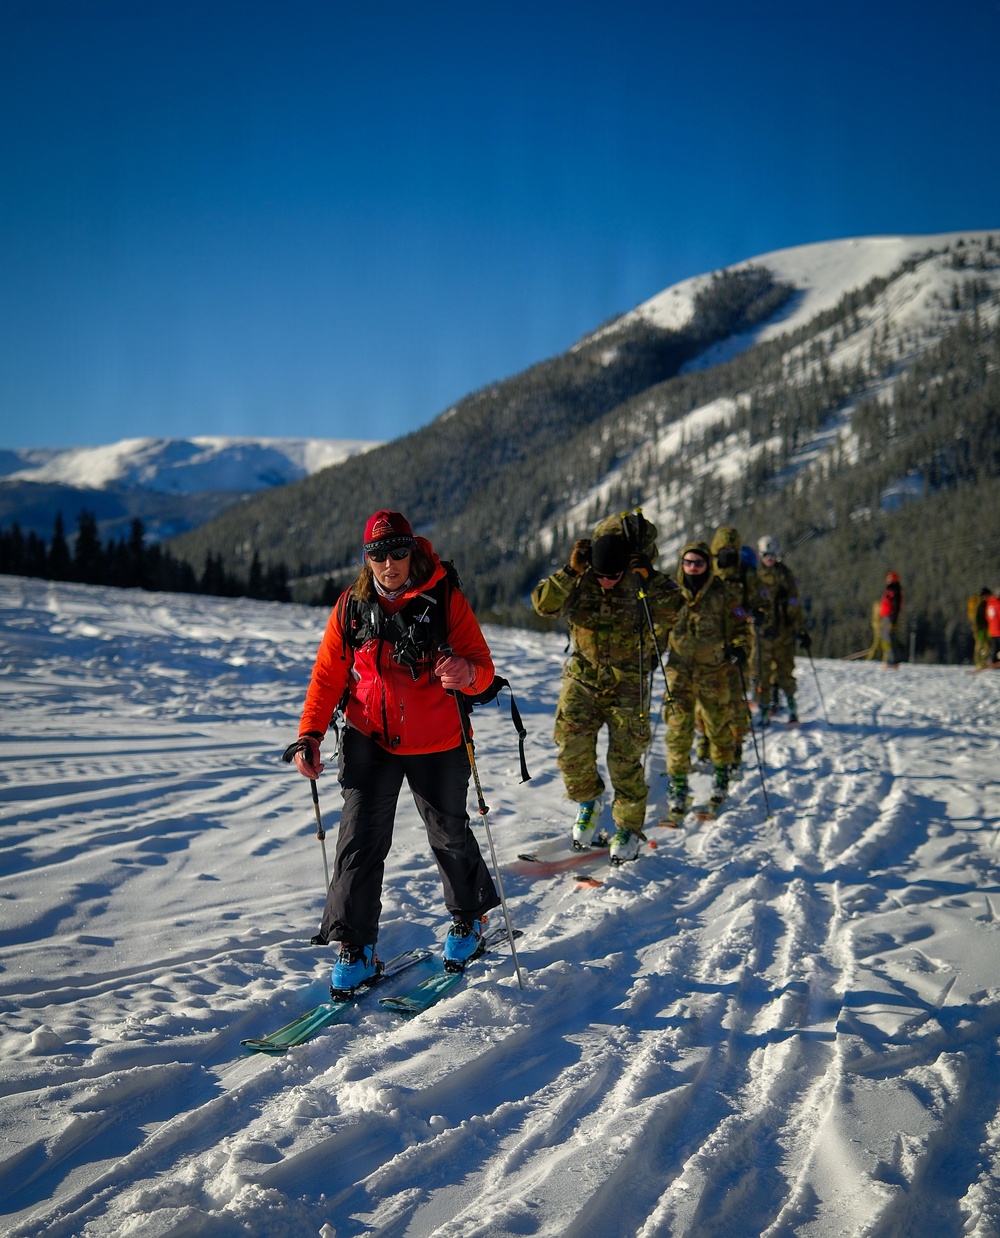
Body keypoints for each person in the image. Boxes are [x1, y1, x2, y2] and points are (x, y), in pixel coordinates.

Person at [289, 509, 500, 996]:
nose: (390, 563)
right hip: (370, 737)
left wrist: (467, 675)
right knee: (358, 841)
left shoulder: (445, 597)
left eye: (398, 552)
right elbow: (328, 677)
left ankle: (469, 922)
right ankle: (355, 949)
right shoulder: (351, 606)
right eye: (379, 554)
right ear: (367, 558)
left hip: (438, 739)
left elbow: (483, 668)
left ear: (413, 551)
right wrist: (310, 735)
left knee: (448, 833)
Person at [531, 515, 675, 864]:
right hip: (583, 677)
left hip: (629, 681)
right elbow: (544, 606)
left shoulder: (641, 579)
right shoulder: (581, 577)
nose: (608, 582)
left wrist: (650, 580)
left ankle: (627, 828)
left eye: (614, 576)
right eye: (602, 576)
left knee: (625, 760)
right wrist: (570, 571)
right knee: (570, 747)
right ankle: (589, 802)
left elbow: (675, 610)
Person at [663, 541, 750, 817]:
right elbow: (656, 625)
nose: (692, 568)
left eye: (698, 563)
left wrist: (740, 648)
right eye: (688, 562)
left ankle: (721, 775)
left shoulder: (723, 595)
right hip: (679, 672)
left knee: (717, 725)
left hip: (714, 672)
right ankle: (678, 785)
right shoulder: (671, 594)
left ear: (707, 565)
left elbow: (741, 628)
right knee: (678, 728)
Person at [694, 525, 758, 779]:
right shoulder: (706, 571)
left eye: (732, 549)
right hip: (707, 645)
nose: (727, 553)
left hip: (738, 644)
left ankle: (736, 754)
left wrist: (758, 616)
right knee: (704, 700)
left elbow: (759, 604)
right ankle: (703, 749)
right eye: (723, 549)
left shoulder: (746, 575)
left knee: (736, 701)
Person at [753, 535, 810, 723]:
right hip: (760, 635)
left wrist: (800, 631)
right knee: (761, 674)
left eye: (773, 554)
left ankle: (792, 707)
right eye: (766, 554)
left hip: (783, 633)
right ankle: (763, 709)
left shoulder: (785, 574)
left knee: (785, 672)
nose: (770, 558)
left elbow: (795, 605)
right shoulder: (753, 575)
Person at [875, 571, 903, 667]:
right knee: (887, 638)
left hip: (890, 617)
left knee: (889, 639)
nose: (887, 580)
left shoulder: (894, 590)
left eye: (890, 578)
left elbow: (895, 606)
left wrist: (893, 621)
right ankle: (892, 659)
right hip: (887, 616)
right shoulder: (890, 590)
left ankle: (892, 661)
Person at [970, 588, 992, 668]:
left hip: (984, 628)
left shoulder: (984, 603)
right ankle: (979, 661)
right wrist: (978, 628)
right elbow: (976, 618)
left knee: (986, 644)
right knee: (981, 644)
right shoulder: (979, 604)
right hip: (980, 629)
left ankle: (982, 660)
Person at [987, 589, 1000, 665]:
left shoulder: (990, 603)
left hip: (992, 631)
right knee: (996, 647)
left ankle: (993, 660)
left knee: (995, 647)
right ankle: (993, 660)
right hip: (998, 630)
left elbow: (987, 617)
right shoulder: (997, 604)